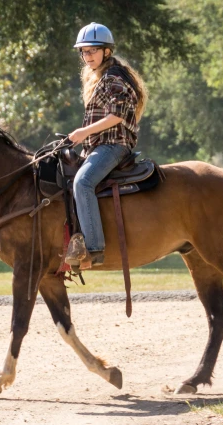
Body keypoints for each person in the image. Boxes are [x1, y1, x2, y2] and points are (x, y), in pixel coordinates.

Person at [64, 22, 148, 268]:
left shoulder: (113, 78)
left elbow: (117, 116)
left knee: (83, 182)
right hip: (98, 146)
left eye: (92, 51)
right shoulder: (101, 77)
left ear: (107, 51)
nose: (87, 56)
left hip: (113, 146)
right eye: (83, 52)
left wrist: (82, 132)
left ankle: (94, 249)